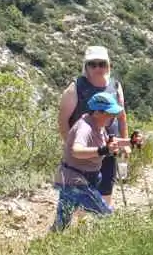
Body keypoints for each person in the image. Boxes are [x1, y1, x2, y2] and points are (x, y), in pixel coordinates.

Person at [57, 45, 129, 204]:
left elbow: (122, 116)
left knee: (106, 188)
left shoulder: (115, 86)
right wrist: (71, 148)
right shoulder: (75, 88)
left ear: (108, 65)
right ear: (86, 66)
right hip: (85, 150)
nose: (98, 68)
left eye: (102, 64)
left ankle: (101, 224)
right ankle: (77, 225)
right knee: (80, 192)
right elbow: (63, 120)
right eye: (93, 64)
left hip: (109, 146)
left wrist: (126, 142)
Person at [53, 90, 123, 231]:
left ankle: (47, 247)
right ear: (98, 112)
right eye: (110, 114)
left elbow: (110, 142)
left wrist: (131, 142)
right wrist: (103, 150)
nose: (113, 117)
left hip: (73, 179)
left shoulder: (98, 126)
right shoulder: (85, 127)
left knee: (62, 223)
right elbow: (76, 150)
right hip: (75, 181)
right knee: (105, 214)